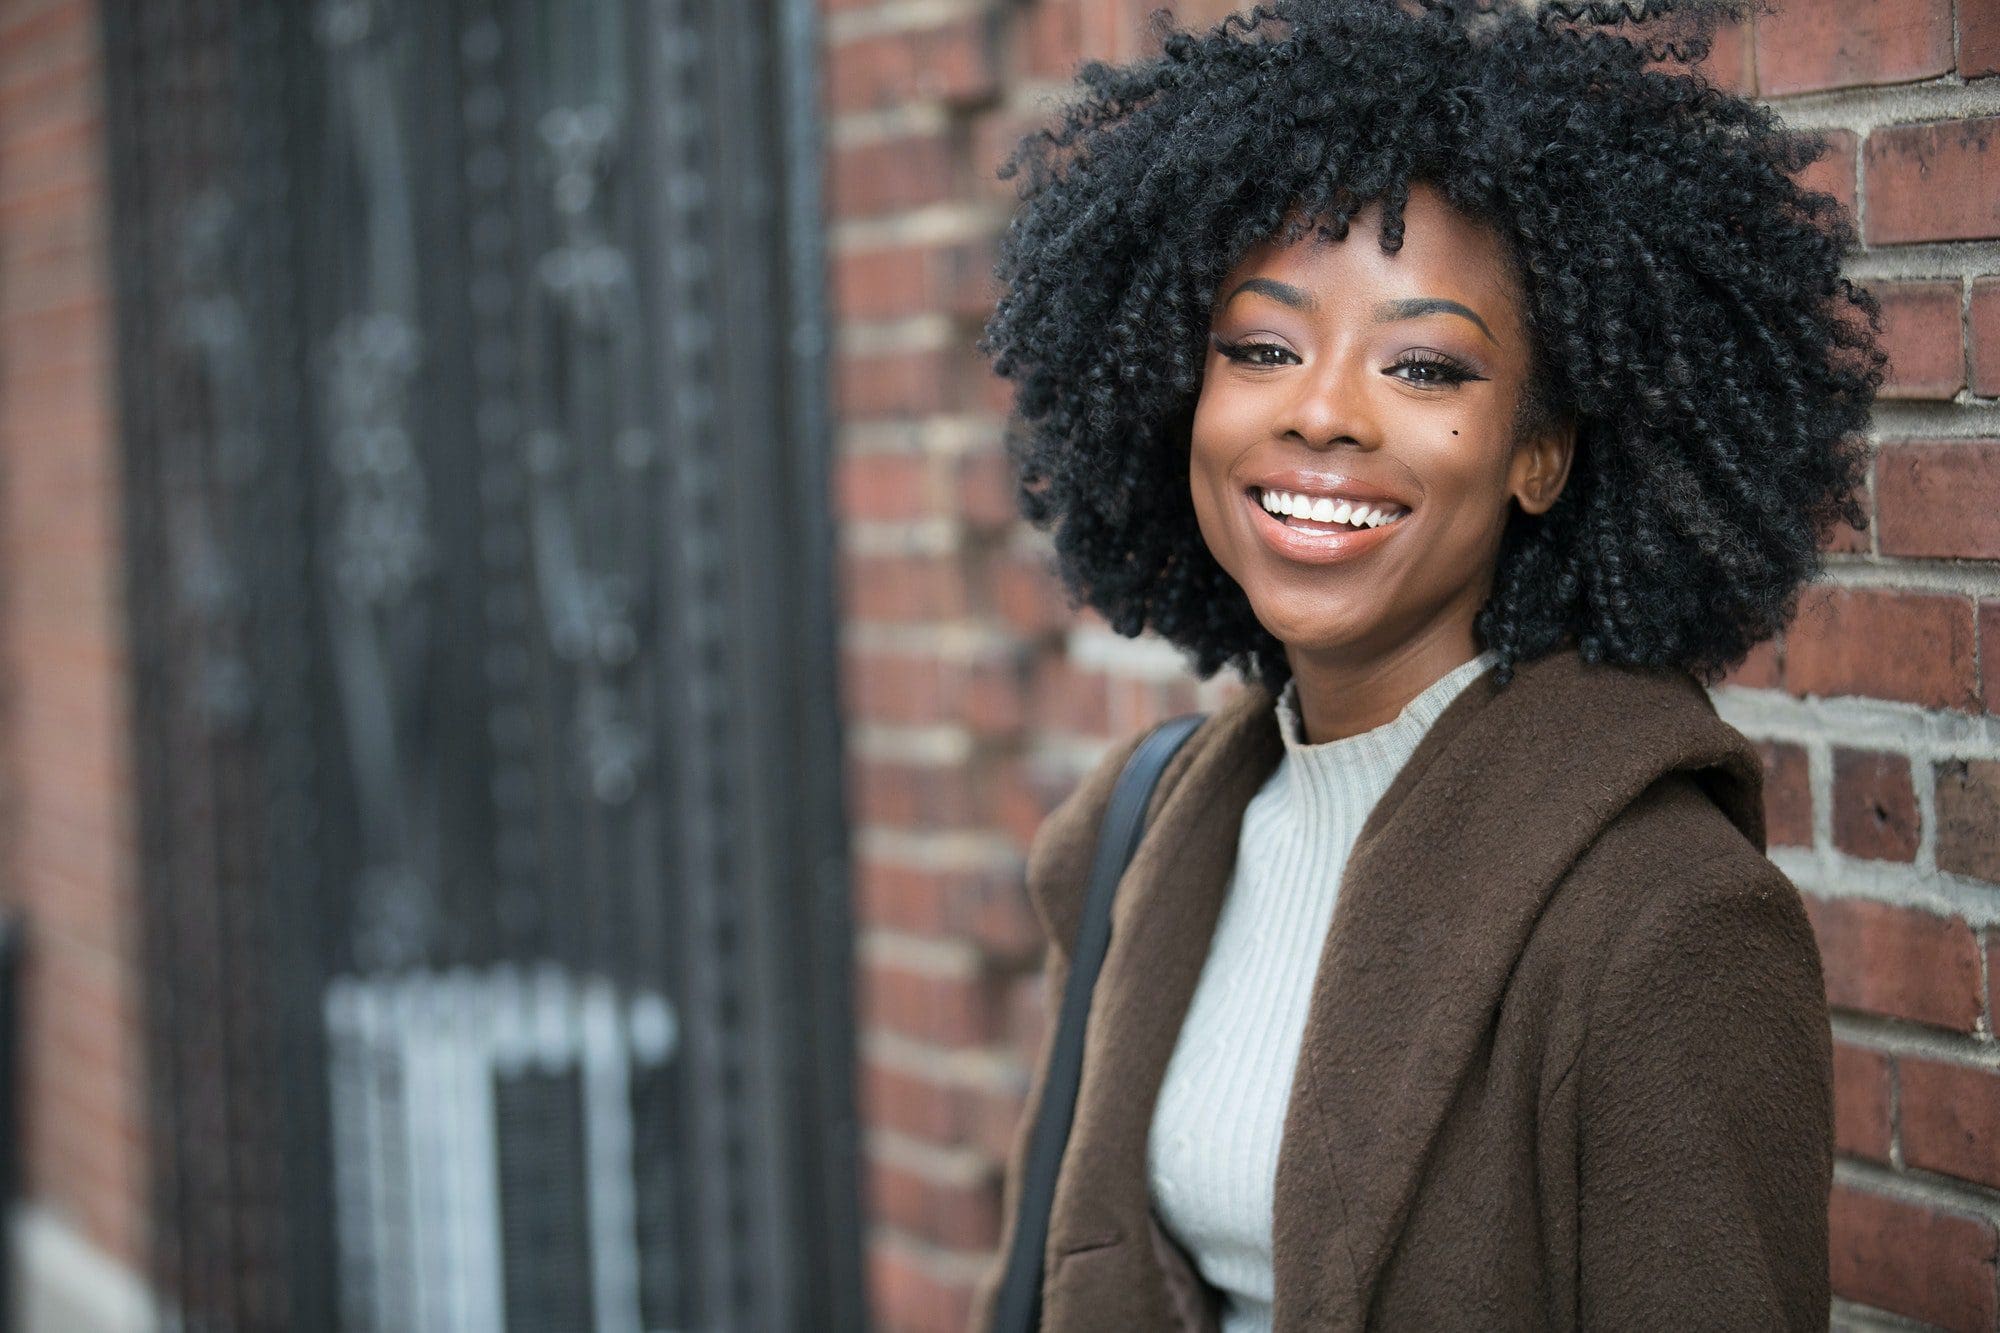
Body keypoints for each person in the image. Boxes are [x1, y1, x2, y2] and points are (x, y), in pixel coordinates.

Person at [966, 0, 1882, 1329]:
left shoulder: (1660, 923)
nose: (1323, 409)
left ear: (1542, 451)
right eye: (1262, 347)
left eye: (1424, 364)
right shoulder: (1137, 835)